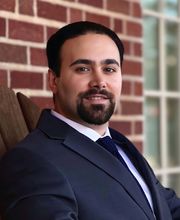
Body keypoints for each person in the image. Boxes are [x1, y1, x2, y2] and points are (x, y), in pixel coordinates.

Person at [0, 21, 180, 220]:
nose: (99, 81)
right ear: (53, 80)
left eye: (109, 69)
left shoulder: (120, 146)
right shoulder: (31, 160)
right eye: (83, 68)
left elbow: (167, 208)